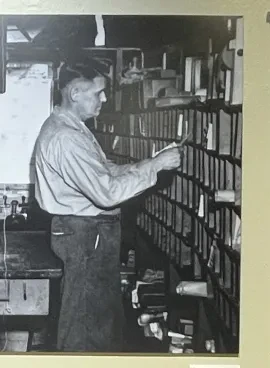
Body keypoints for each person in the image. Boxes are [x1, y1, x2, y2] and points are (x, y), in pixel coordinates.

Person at [31, 69, 181, 351]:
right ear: (75, 93)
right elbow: (108, 193)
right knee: (87, 324)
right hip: (86, 234)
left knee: (97, 317)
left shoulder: (73, 128)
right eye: (98, 92)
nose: (104, 99)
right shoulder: (66, 137)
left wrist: (148, 163)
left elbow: (104, 172)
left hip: (89, 233)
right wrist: (157, 166)